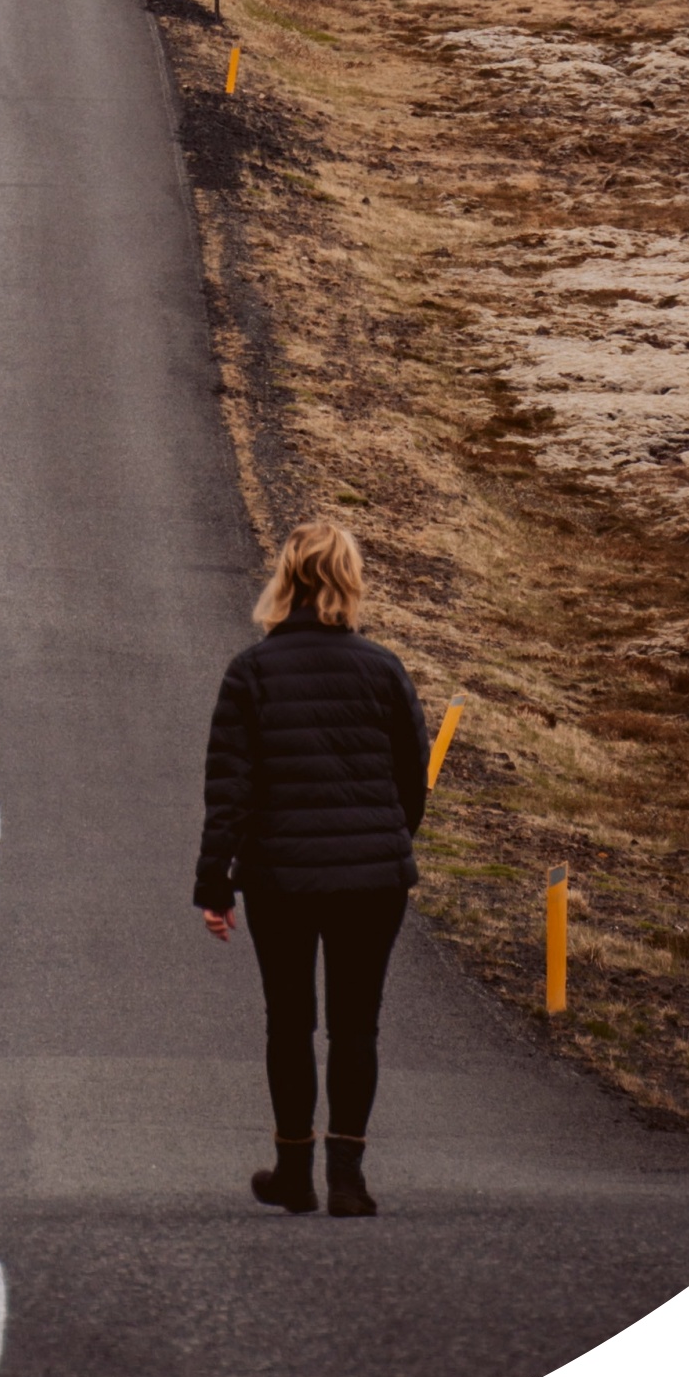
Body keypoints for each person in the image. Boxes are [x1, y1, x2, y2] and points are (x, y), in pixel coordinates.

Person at [194, 520, 429, 1218]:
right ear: (349, 582)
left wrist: (215, 884)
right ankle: (349, 1179)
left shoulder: (252, 672)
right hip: (371, 879)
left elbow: (228, 788)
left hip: (280, 877)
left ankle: (293, 1170)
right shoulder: (384, 667)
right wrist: (385, 841)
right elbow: (412, 779)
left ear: (286, 580)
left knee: (290, 1022)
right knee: (357, 1025)